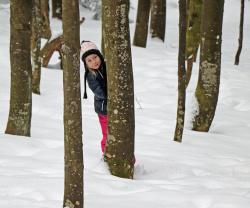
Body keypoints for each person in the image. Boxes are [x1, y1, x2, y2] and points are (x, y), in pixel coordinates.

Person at [81, 41, 107, 154]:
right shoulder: (90, 75)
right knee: (107, 133)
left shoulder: (107, 66)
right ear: (86, 64)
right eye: (89, 60)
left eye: (95, 57)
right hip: (103, 109)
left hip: (114, 106)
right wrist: (110, 95)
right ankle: (106, 153)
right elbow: (98, 91)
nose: (94, 61)